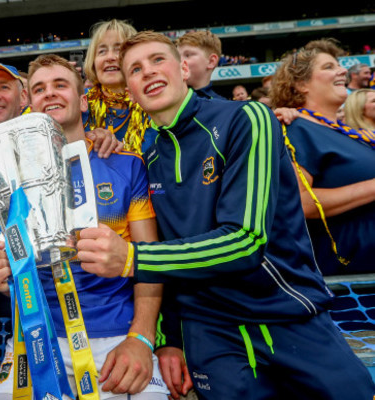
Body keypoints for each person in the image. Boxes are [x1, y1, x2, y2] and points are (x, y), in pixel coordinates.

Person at [77, 31, 375, 399]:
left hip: (286, 315)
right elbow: (167, 249)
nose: (148, 72)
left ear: (184, 68)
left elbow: (246, 241)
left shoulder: (247, 118)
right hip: (210, 333)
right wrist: (169, 338)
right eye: (135, 70)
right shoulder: (146, 156)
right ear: (131, 91)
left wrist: (130, 259)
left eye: (158, 60)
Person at [0, 54, 169, 399]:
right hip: (34, 336)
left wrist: (141, 338)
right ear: (28, 104)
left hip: (116, 336)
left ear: (82, 101)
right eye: (39, 89)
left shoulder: (125, 165)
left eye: (60, 85)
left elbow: (149, 262)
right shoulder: (2, 174)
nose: (49, 94)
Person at [270, 39, 375, 277]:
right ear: (300, 84)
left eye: (339, 65)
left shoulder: (347, 132)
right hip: (350, 282)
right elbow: (302, 202)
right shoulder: (294, 128)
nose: (342, 71)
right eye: (328, 67)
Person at [83, 19, 156, 154]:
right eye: (102, 51)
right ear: (92, 61)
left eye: (118, 50)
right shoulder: (79, 104)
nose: (110, 57)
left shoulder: (154, 105)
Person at [175, 30, 225, 100]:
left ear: (211, 61)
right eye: (177, 56)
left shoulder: (226, 108)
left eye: (187, 55)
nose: (178, 61)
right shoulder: (163, 103)